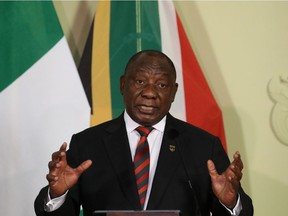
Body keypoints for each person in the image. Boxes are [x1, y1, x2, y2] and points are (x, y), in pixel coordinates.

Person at [34, 50, 253, 216]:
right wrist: (58, 195)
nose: (149, 93)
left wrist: (230, 202)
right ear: (122, 85)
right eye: (140, 82)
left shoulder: (203, 146)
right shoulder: (87, 144)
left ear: (174, 92)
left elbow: (242, 212)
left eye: (161, 85)